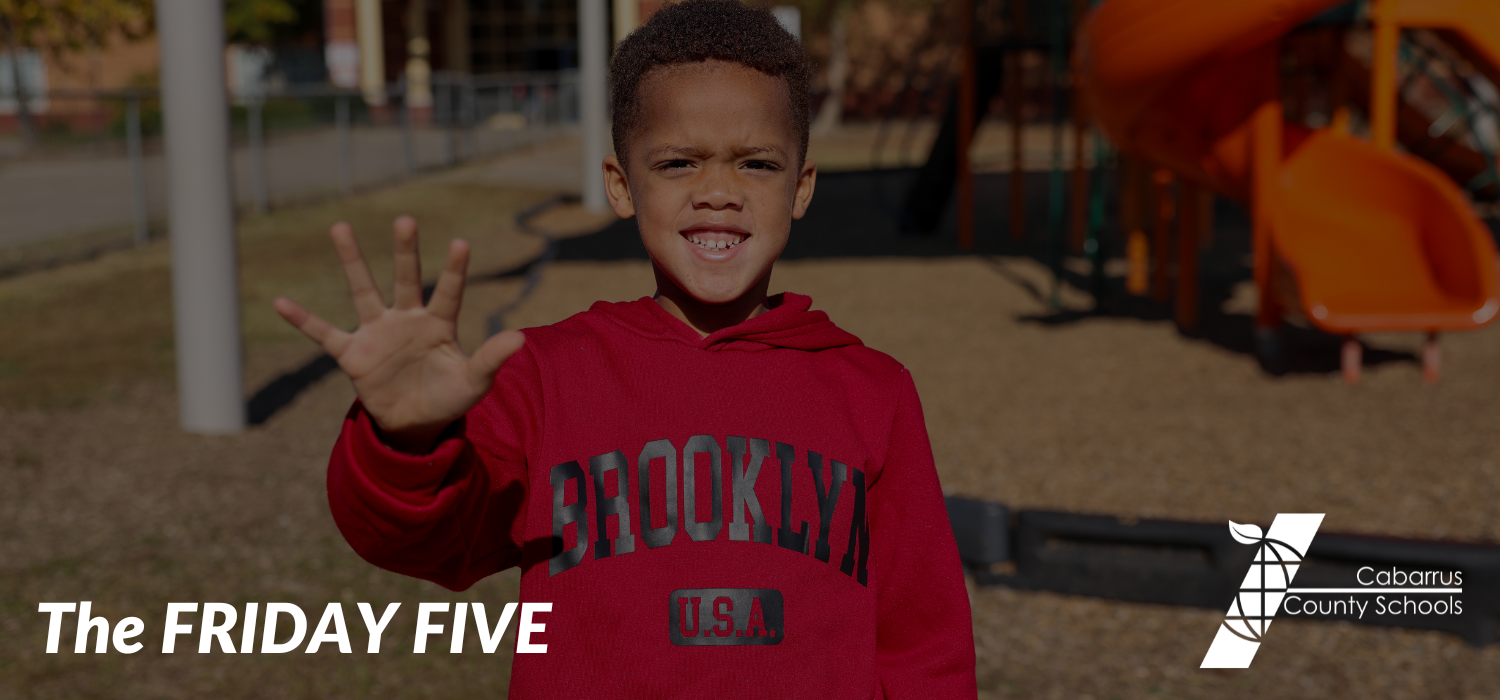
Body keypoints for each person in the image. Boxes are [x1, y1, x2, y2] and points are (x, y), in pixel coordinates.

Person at [273, 1, 976, 696]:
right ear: (621, 186)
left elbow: (924, 645)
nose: (718, 193)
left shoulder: (873, 391)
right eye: (677, 163)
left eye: (757, 164)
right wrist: (407, 440)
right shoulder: (541, 377)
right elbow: (418, 541)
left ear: (801, 187)